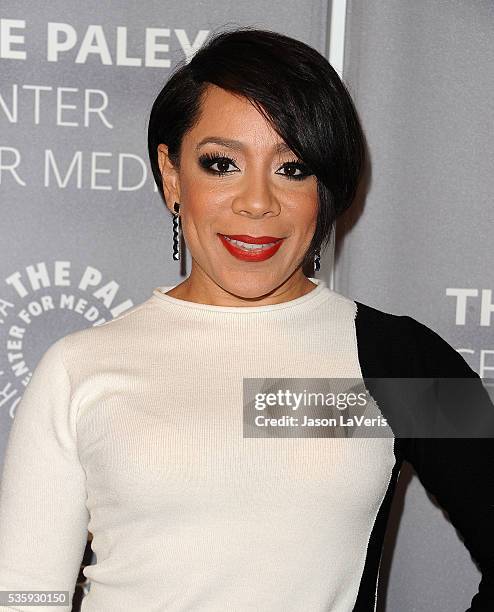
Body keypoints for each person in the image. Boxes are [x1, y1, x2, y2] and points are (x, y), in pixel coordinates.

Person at [0, 26, 492, 612]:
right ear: (173, 174)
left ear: (324, 189)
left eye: (292, 168)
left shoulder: (402, 361)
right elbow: (23, 594)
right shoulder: (78, 369)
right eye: (221, 163)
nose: (257, 202)